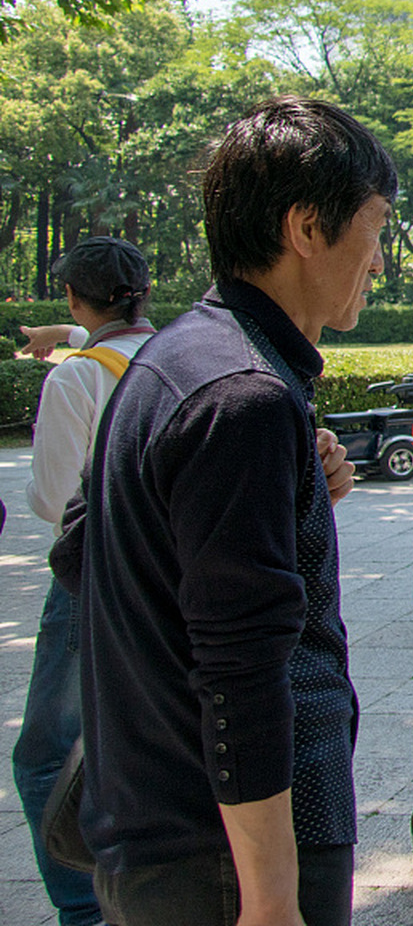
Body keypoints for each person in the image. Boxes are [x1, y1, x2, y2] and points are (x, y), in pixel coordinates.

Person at [79, 96, 393, 926]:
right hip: (222, 856)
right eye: (377, 227)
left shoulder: (180, 357)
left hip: (159, 827)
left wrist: (286, 491)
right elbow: (243, 667)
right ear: (306, 227)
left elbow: (86, 549)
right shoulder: (245, 397)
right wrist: (271, 899)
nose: (381, 260)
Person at [15, 237, 156, 926]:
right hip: (160, 583)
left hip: (90, 581)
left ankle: (83, 909)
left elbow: (51, 501)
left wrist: (72, 347)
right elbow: (114, 346)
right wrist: (71, 335)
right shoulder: (169, 357)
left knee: (42, 755)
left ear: (73, 296)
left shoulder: (74, 379)